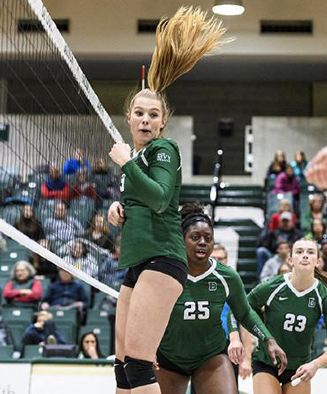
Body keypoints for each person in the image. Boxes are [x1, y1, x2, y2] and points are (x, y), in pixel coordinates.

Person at [107, 8, 230, 393]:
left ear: (163, 121)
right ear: (128, 118)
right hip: (136, 262)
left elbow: (161, 199)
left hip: (162, 259)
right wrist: (119, 210)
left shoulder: (164, 148)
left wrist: (126, 163)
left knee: (141, 365)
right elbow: (143, 201)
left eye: (153, 115)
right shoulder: (139, 158)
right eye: (139, 113)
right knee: (123, 367)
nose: (145, 120)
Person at [156, 204, 282, 394]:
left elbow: (245, 313)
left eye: (208, 238)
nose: (202, 243)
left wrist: (269, 339)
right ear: (182, 241)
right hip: (169, 357)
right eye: (195, 237)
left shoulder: (227, 276)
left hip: (210, 356)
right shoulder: (166, 272)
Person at [246, 239, 327, 394]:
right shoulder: (273, 286)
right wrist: (266, 337)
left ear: (318, 261)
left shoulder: (325, 297)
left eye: (310, 252)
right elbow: (244, 308)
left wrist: (315, 364)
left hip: (300, 368)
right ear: (290, 259)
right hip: (267, 362)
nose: (305, 256)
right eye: (299, 252)